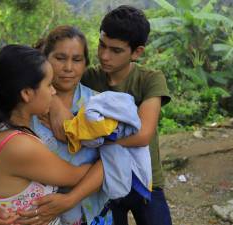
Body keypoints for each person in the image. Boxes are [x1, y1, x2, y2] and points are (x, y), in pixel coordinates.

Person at [0, 27, 111, 225]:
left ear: (86, 63)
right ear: (45, 58)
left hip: (94, 211)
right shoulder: (20, 122)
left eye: (77, 59)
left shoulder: (101, 104)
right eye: (60, 58)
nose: (68, 67)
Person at [48, 5, 172, 225]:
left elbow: (143, 134)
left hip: (143, 179)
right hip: (103, 181)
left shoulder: (149, 79)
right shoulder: (88, 77)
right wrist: (55, 100)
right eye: (102, 45)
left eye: (116, 50)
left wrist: (89, 138)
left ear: (137, 52)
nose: (104, 56)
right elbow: (43, 66)